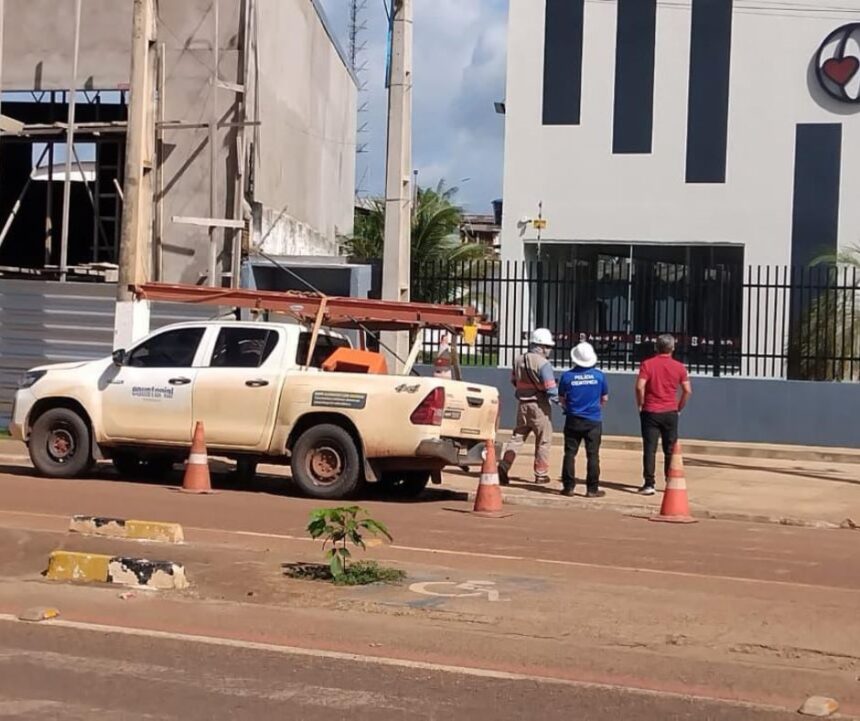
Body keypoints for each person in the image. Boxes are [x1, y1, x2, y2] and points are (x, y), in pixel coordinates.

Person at [499, 328, 558, 485]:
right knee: (543, 440)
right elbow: (551, 389)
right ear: (541, 346)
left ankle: (503, 467)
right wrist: (563, 401)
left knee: (517, 438)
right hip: (539, 406)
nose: (550, 350)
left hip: (523, 405)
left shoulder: (518, 359)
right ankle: (541, 474)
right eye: (548, 346)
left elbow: (514, 381)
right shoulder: (543, 364)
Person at [635, 334, 693, 495]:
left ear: (656, 347)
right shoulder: (680, 367)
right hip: (670, 411)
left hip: (651, 410)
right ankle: (670, 480)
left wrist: (641, 404)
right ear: (673, 348)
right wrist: (679, 407)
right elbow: (688, 390)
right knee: (670, 448)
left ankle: (649, 483)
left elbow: (640, 387)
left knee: (649, 448)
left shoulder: (647, 364)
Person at [558, 342, 609, 498]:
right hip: (593, 420)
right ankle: (592, 489)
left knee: (569, 453)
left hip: (573, 419)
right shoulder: (599, 376)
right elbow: (604, 398)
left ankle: (568, 487)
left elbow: (561, 399)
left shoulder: (567, 377)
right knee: (593, 455)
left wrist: (570, 408)